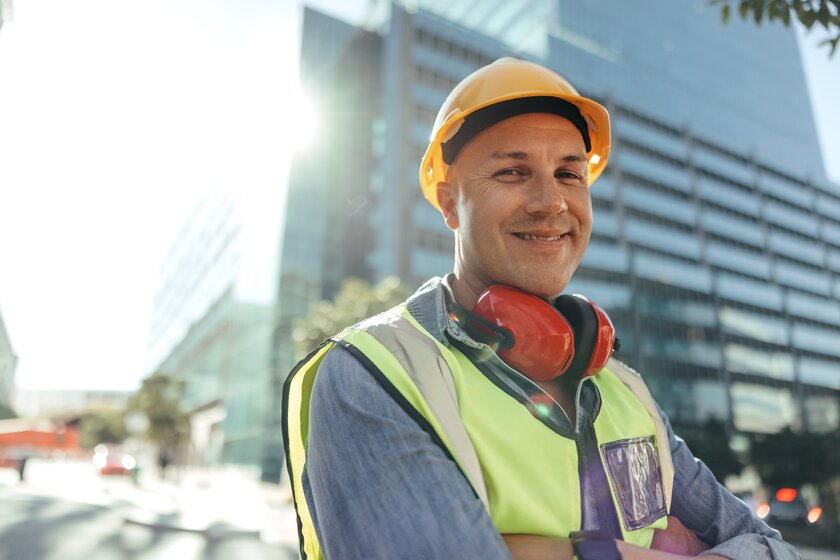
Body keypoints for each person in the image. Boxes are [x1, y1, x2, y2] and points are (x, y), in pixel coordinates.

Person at [283, 58, 800, 559]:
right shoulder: (372, 373)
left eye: (569, 175)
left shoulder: (627, 393)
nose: (550, 202)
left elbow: (775, 549)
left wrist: (541, 552)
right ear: (447, 203)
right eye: (512, 171)